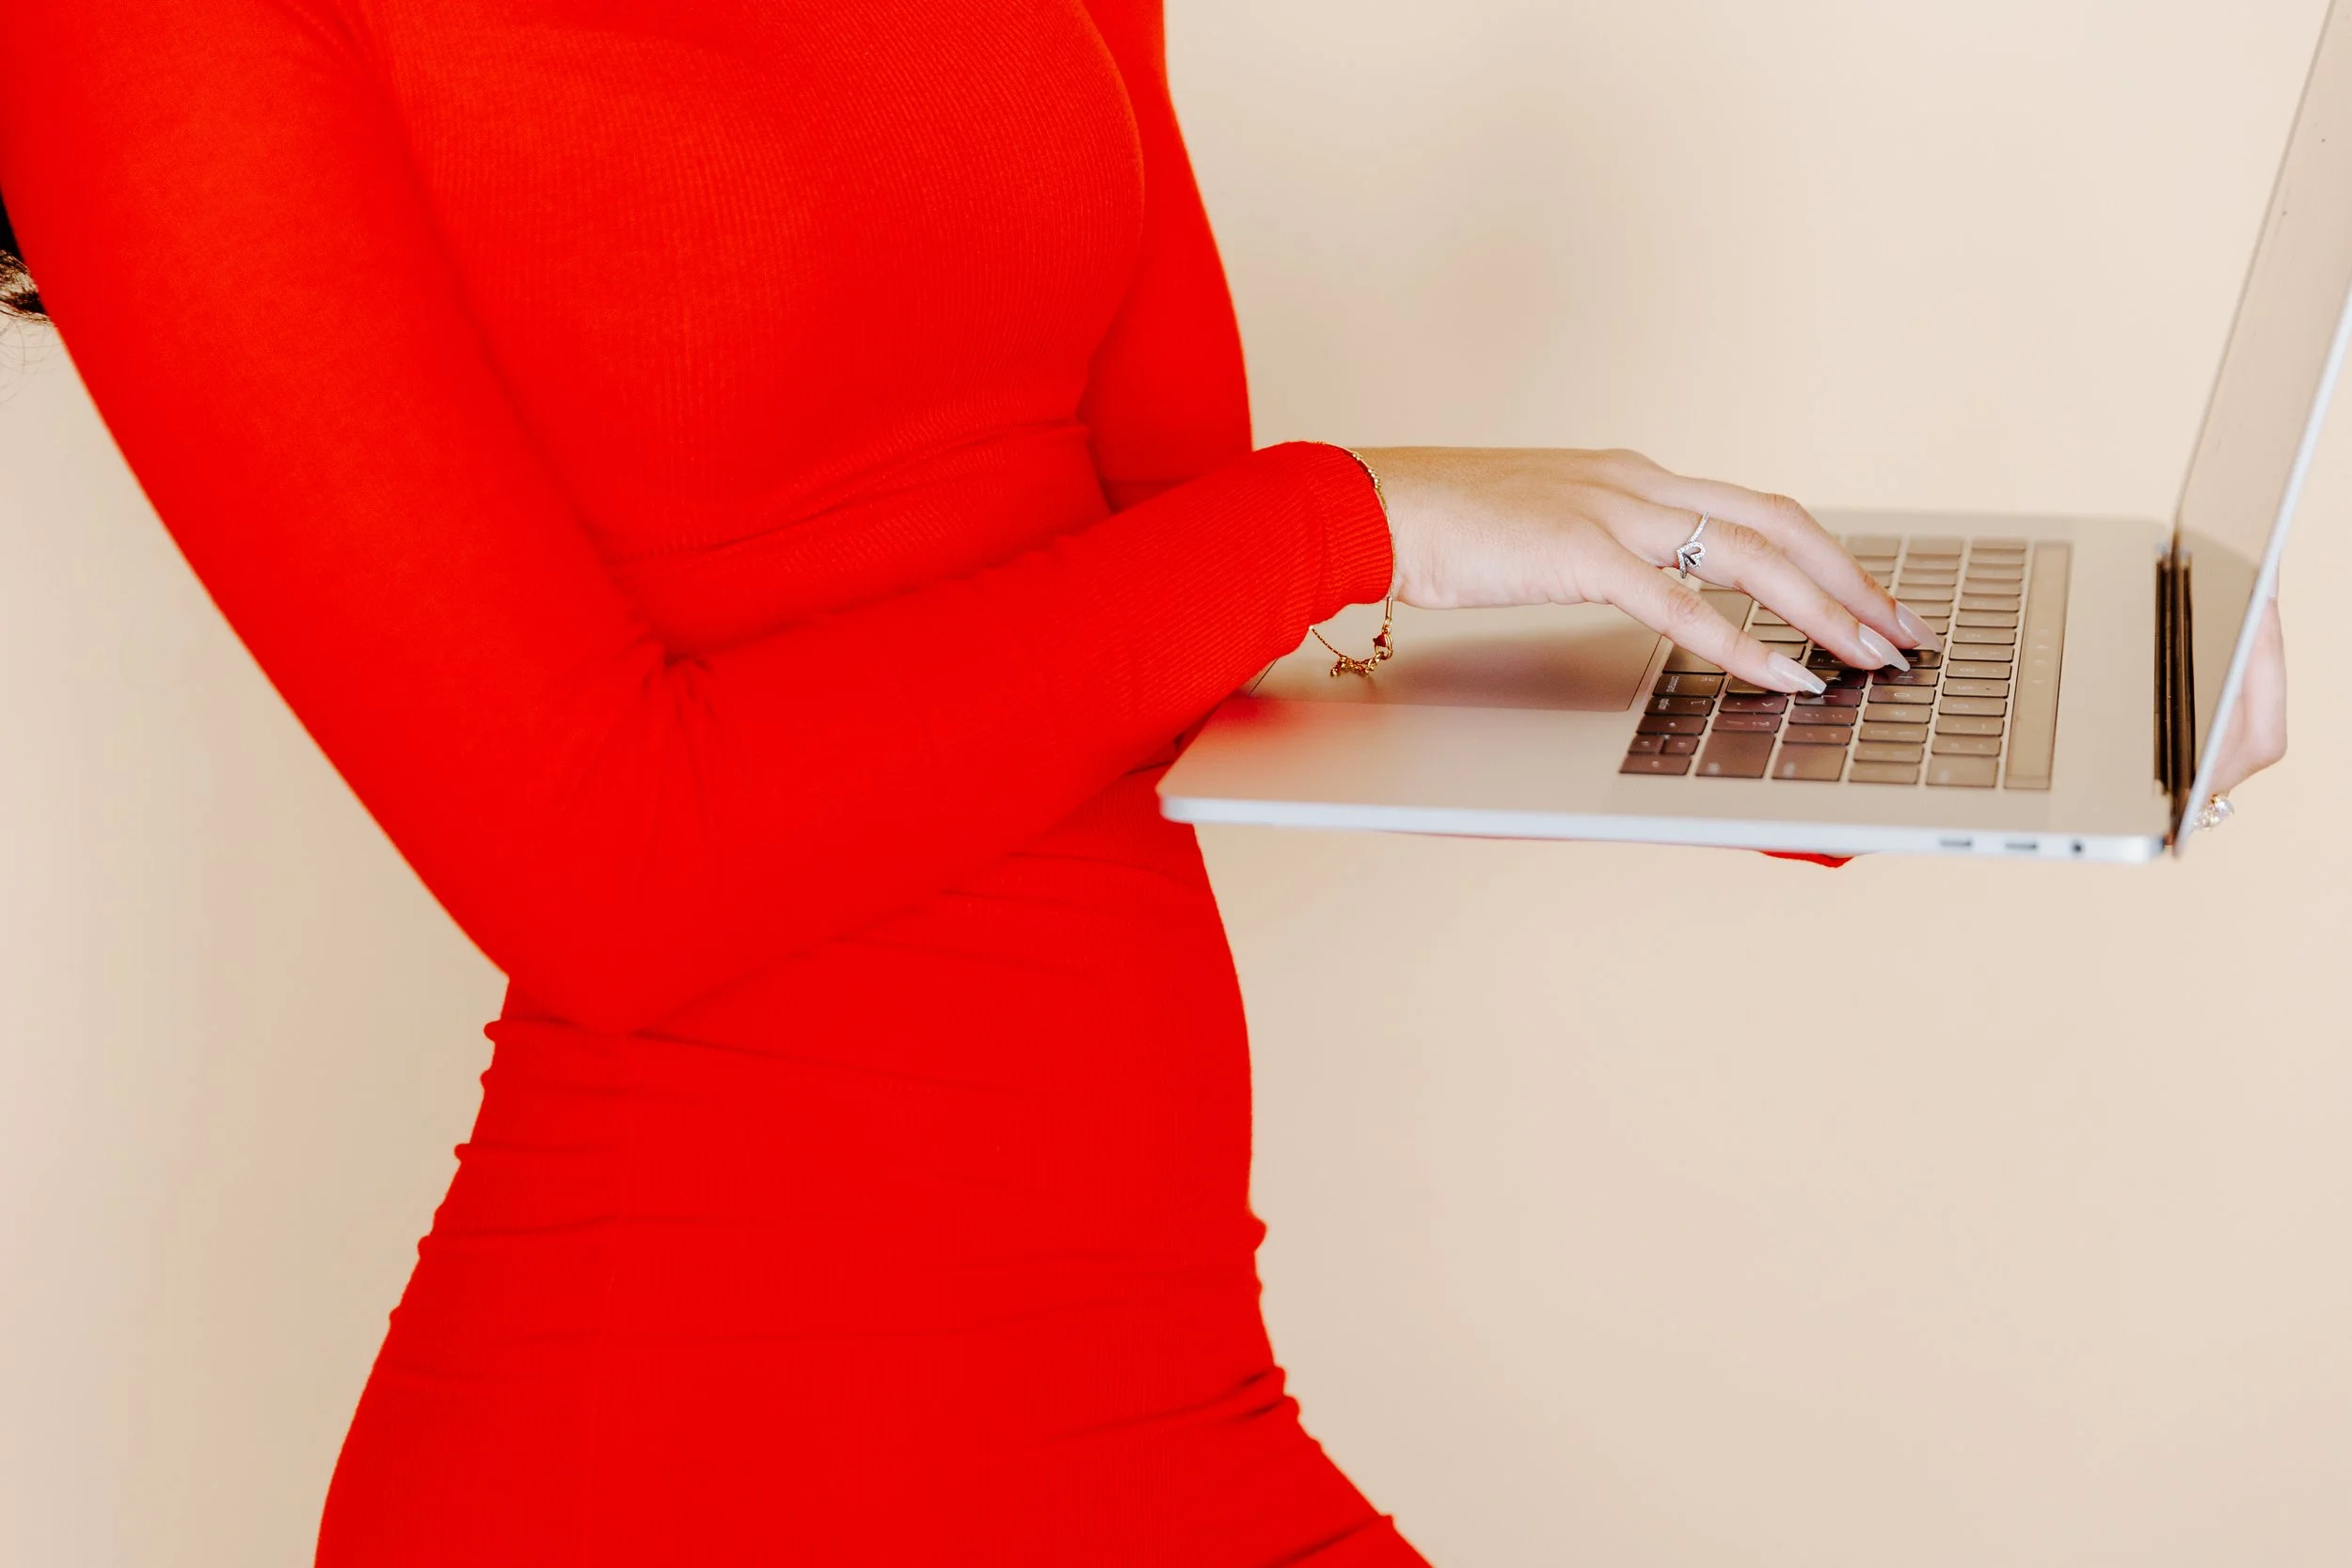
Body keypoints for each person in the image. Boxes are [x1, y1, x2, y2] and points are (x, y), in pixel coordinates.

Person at [0, 2, 2287, 1562]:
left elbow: (1166, 605)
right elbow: (611, 854)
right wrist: (1359, 510)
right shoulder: (156, 36)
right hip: (701, 1438)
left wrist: (1818, 698)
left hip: (1156, 1406)